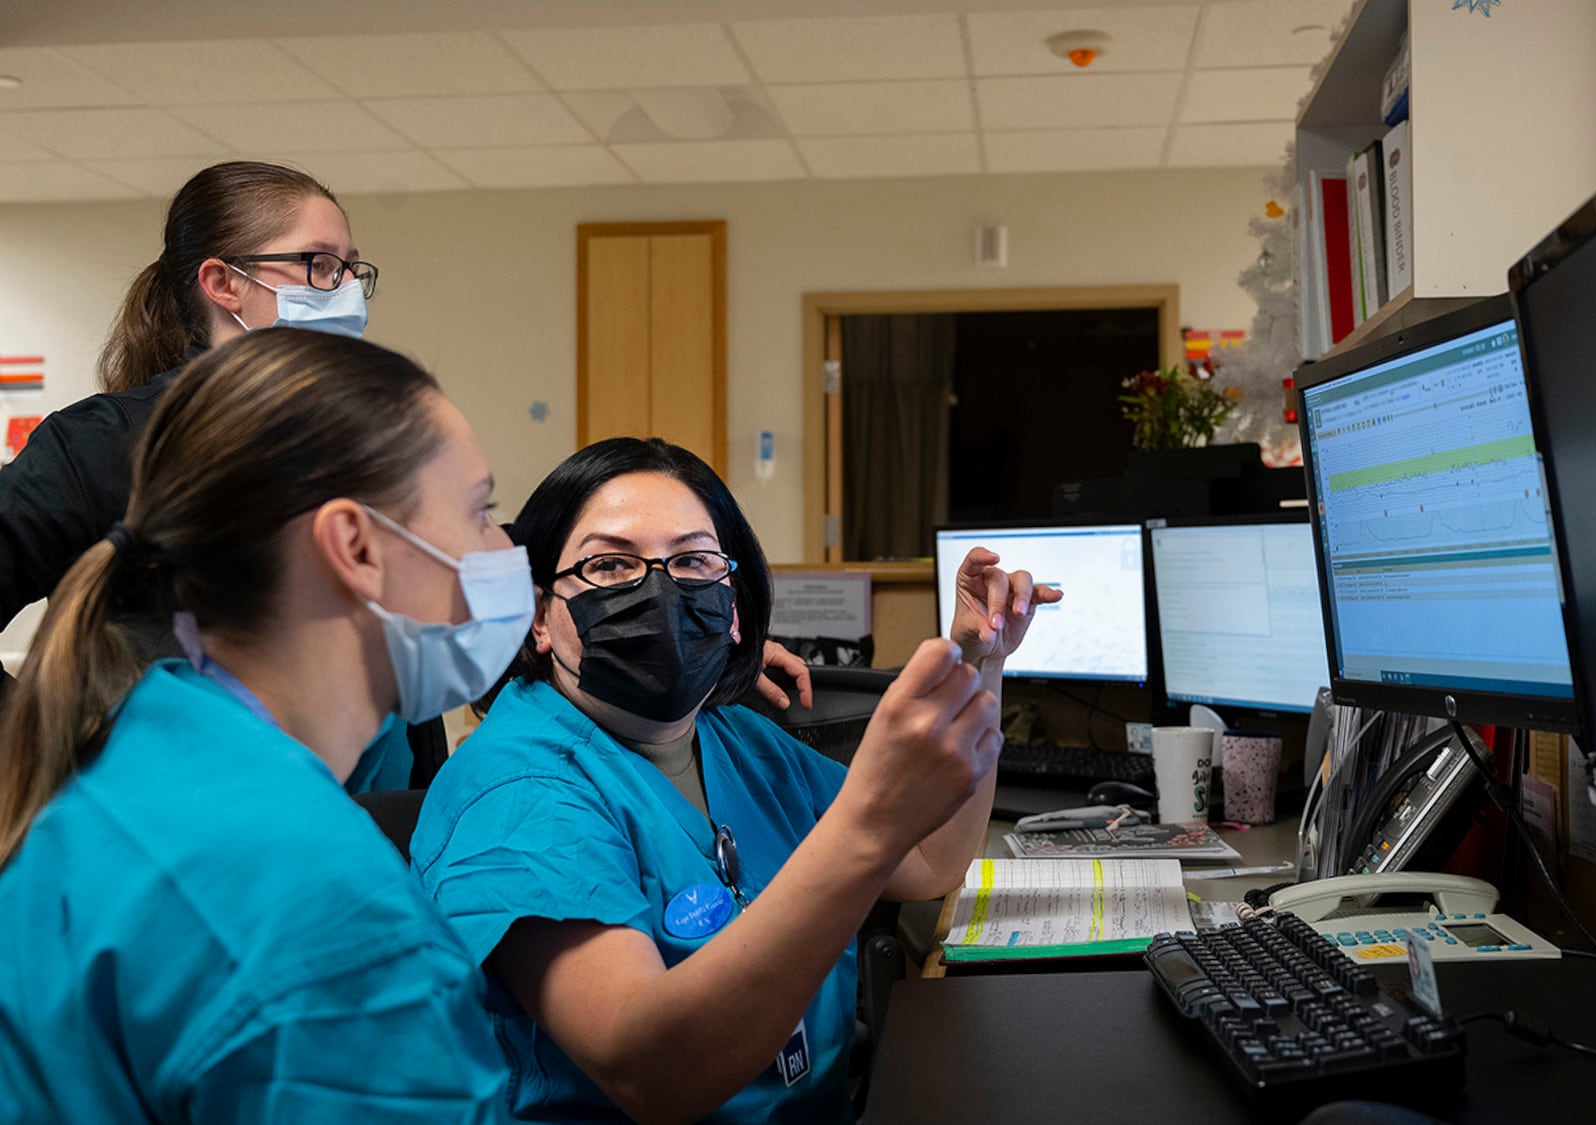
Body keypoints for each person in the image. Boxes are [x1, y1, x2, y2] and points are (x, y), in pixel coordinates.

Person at [412, 436, 1061, 1123]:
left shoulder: (739, 740)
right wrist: (867, 823)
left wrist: (981, 656)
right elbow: (656, 1075)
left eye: (692, 560)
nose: (658, 589)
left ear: (734, 608)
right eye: (610, 564)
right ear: (541, 615)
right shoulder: (518, 795)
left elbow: (931, 860)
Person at [0, 329, 524, 1121]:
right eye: (480, 510)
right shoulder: (339, 929)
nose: (503, 546)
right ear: (355, 546)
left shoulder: (127, 763)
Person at [0, 160, 432, 790]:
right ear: (224, 284)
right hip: (188, 828)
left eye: (350, 268)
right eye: (317, 264)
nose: (344, 289)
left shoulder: (368, 440)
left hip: (366, 822)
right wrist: (59, 752)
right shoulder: (105, 444)